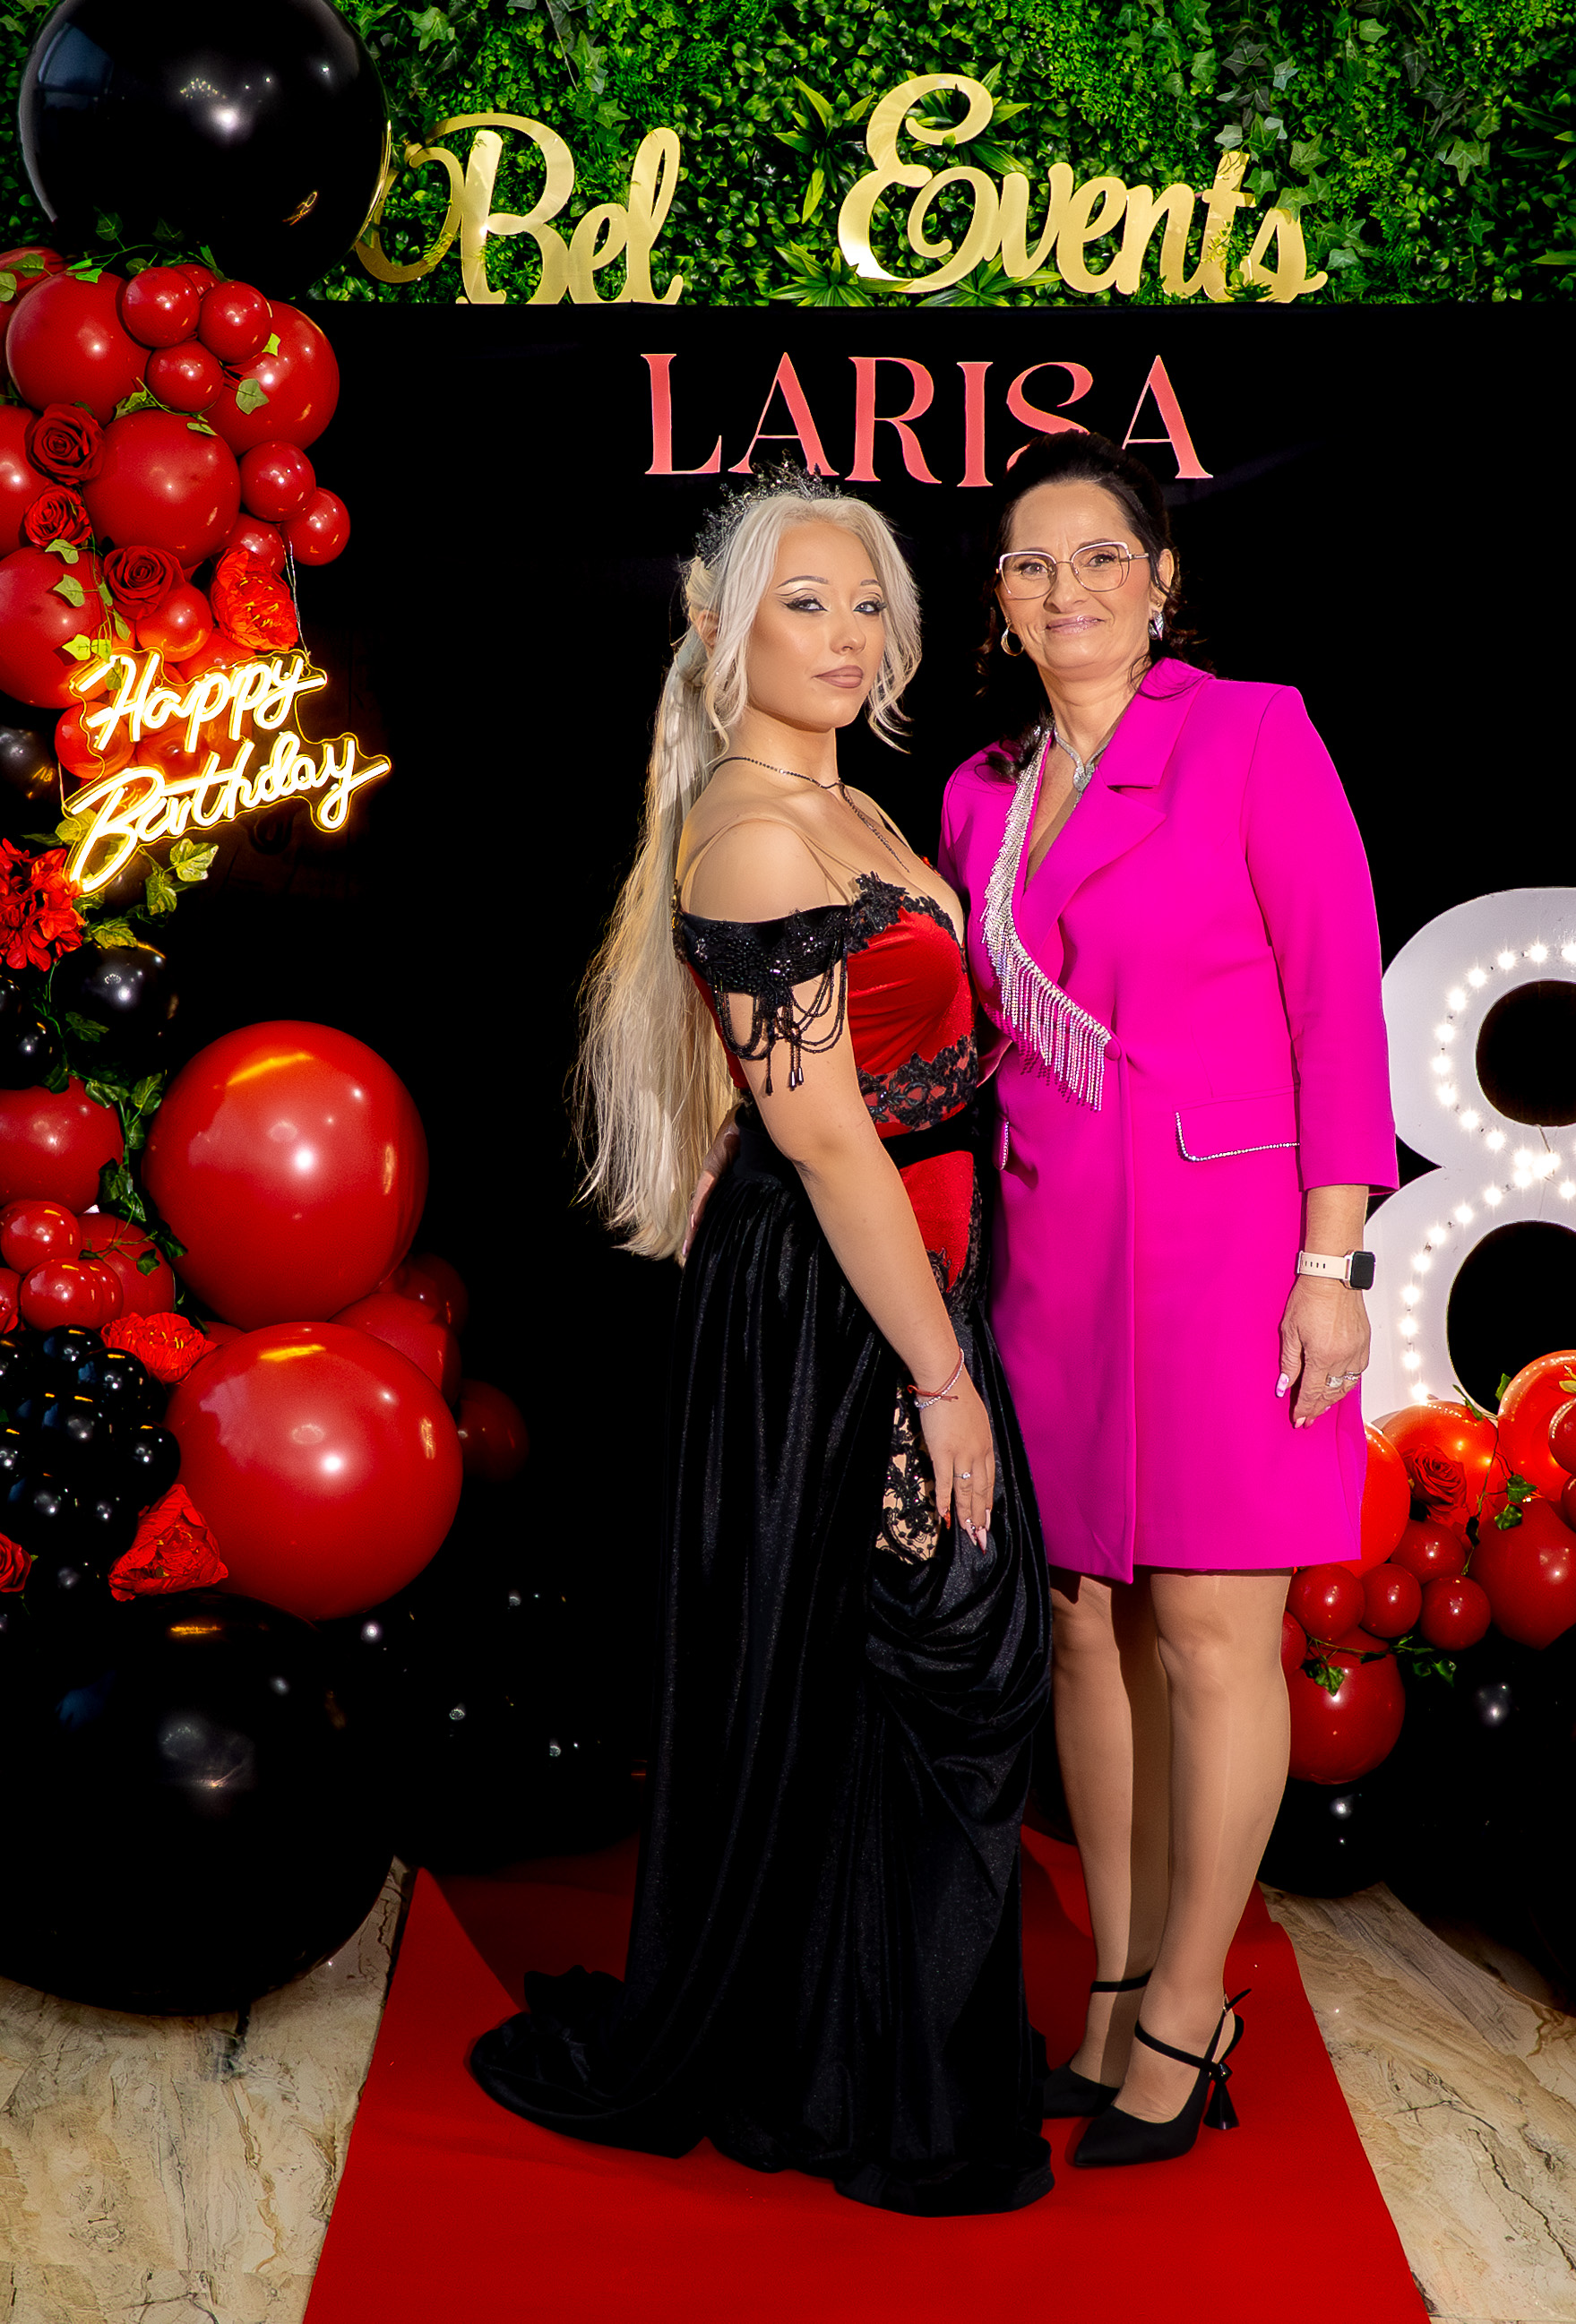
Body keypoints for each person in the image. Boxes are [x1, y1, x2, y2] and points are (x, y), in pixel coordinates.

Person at [469, 477, 1055, 2216]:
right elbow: (821, 1134)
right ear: (720, 630)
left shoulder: (852, 806)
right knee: (929, 1655)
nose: (848, 633)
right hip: (830, 1292)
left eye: (868, 602)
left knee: (893, 1673)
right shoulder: (749, 830)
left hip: (907, 1263)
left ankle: (865, 2046)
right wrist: (940, 1375)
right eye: (807, 601)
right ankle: (858, 2069)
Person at [938, 430, 1397, 2168]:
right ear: (1001, 599)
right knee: (1080, 1624)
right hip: (1051, 1257)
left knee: (1211, 1631)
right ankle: (1116, 1987)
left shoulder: (1252, 734)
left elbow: (1337, 1003)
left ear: (1163, 581)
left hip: (1233, 1253)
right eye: (1032, 563)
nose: (1068, 589)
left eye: (1101, 557)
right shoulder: (979, 793)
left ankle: (1195, 2009)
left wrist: (1333, 1264)